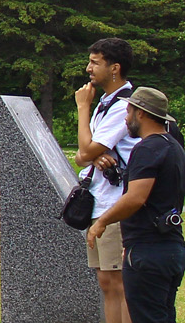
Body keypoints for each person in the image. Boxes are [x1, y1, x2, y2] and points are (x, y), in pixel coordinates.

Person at [88, 86, 185, 323]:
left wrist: (101, 222)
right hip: (172, 248)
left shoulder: (147, 148)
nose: (125, 117)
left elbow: (136, 197)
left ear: (140, 113)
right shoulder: (174, 147)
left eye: (128, 111)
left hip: (148, 252)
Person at [73, 37, 141, 323]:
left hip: (115, 207)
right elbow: (81, 156)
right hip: (99, 204)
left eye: (95, 62)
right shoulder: (105, 103)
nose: (89, 68)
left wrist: (82, 108)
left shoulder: (121, 105)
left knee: (120, 284)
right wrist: (92, 154)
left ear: (115, 68)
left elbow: (86, 149)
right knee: (106, 282)